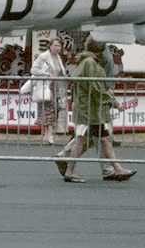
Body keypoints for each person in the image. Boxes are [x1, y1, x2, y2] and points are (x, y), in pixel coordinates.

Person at [58, 37, 136, 182]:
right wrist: (111, 102)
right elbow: (96, 87)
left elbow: (96, 87)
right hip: (89, 110)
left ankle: (116, 168)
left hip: (91, 110)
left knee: (102, 139)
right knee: (82, 141)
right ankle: (70, 170)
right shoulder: (90, 63)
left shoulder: (89, 62)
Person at [29, 37, 67, 145]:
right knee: (49, 109)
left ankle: (47, 134)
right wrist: (46, 74)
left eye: (59, 46)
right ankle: (49, 134)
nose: (57, 48)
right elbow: (34, 69)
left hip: (56, 87)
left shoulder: (58, 57)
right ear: (50, 46)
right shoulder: (43, 56)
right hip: (46, 86)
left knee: (54, 109)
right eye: (55, 45)